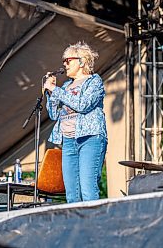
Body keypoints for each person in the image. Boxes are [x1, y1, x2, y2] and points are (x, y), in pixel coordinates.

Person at [44, 41, 107, 203]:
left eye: (68, 60)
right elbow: (53, 114)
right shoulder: (65, 86)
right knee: (71, 193)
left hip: (90, 138)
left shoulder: (94, 81)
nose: (64, 64)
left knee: (87, 188)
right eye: (64, 61)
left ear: (81, 61)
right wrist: (50, 94)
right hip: (68, 140)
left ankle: (93, 223)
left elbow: (83, 105)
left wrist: (55, 91)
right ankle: (76, 226)